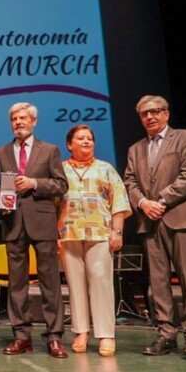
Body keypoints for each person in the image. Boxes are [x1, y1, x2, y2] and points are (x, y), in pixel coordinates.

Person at [123, 95, 186, 359]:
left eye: (155, 111)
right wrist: (144, 203)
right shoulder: (135, 149)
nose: (150, 117)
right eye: (144, 114)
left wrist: (160, 200)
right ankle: (166, 335)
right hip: (150, 222)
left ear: (166, 114)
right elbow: (130, 183)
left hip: (182, 219)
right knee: (158, 283)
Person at [0, 102, 69, 358]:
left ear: (33, 121)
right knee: (17, 284)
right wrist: (2, 200)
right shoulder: (2, 153)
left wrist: (35, 183)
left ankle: (54, 336)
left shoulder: (49, 150)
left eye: (23, 118)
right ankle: (21, 336)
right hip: (13, 223)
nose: (18, 122)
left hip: (42, 222)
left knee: (49, 282)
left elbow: (60, 184)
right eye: (14, 119)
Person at [58, 125, 131, 357]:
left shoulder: (105, 169)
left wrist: (117, 231)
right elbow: (51, 205)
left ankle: (106, 334)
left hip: (100, 233)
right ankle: (81, 332)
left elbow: (119, 200)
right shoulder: (60, 170)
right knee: (75, 284)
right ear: (70, 144)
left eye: (90, 138)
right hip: (68, 233)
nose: (87, 142)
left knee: (100, 281)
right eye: (81, 138)